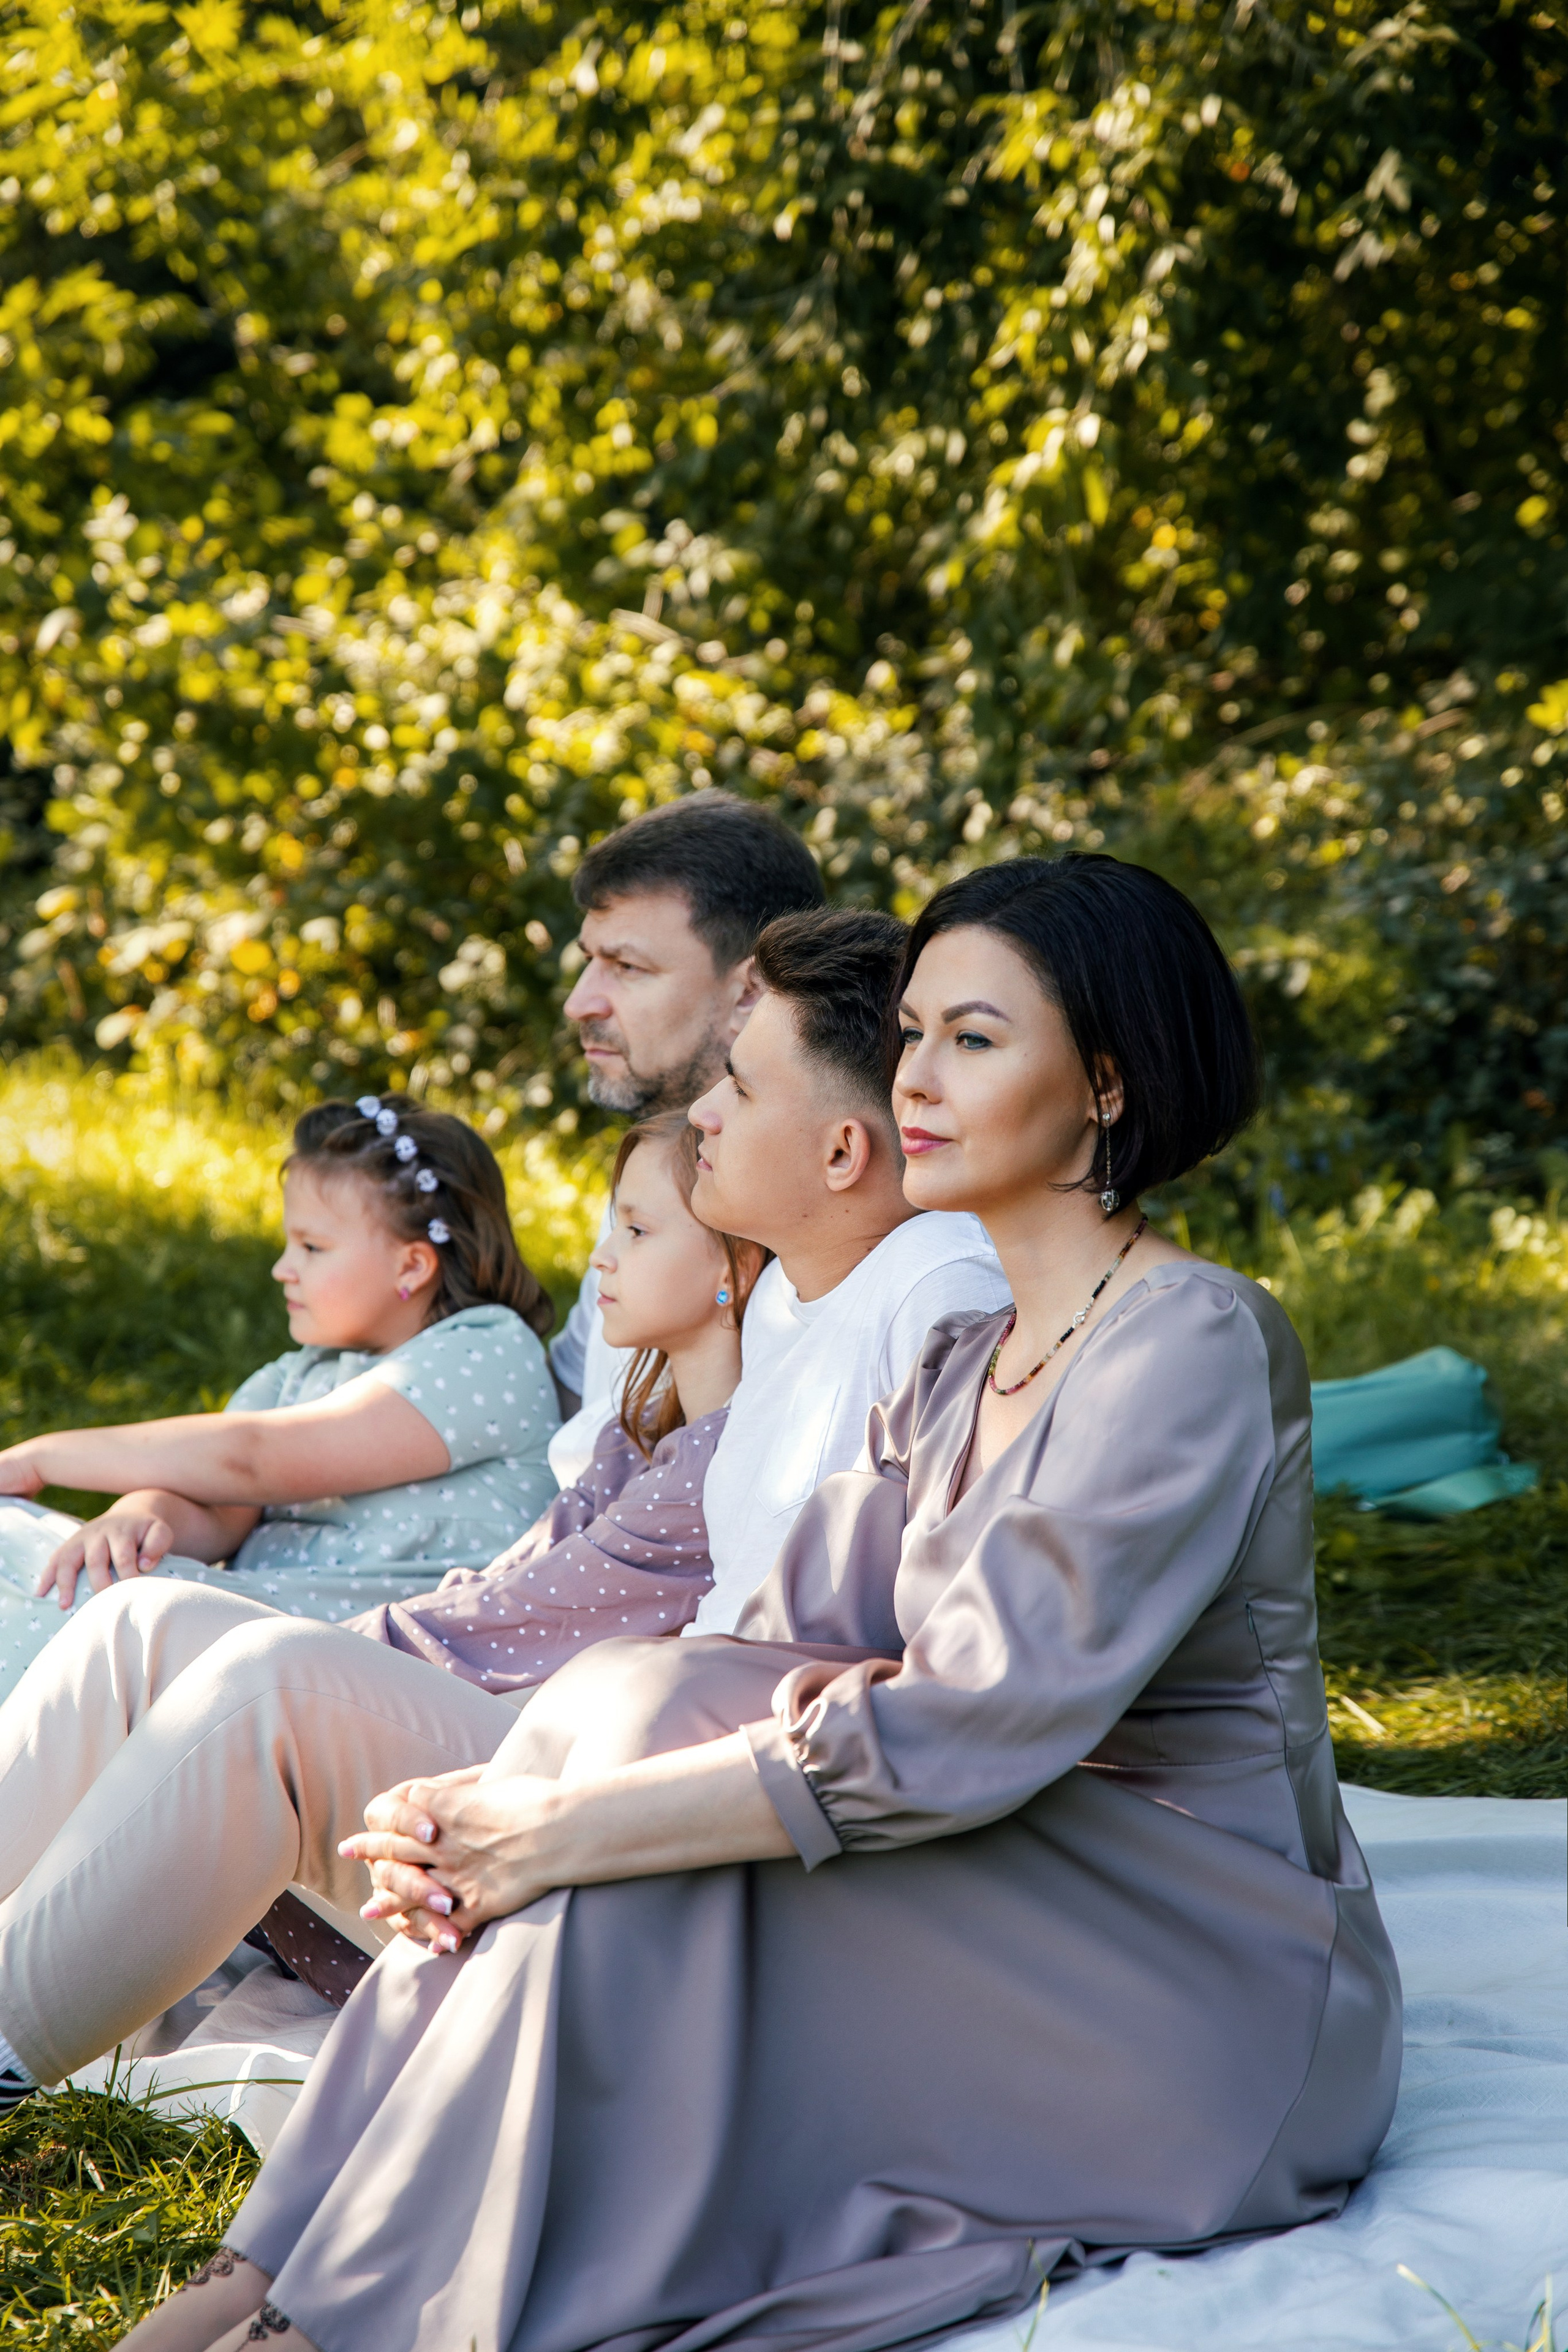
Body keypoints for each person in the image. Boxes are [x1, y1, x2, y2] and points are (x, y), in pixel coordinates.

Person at [128, 852, 1400, 2352]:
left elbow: (965, 1721)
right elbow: (758, 1645)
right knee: (629, 1703)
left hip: (1192, 1976)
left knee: (610, 1845)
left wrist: (551, 1832)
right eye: (913, 1031)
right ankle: (278, 2268)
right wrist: (494, 1798)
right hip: (1003, 1878)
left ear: (1107, 1085)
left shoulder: (1186, 1340)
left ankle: (334, 2308)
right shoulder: (960, 1361)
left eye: (972, 1039)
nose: (914, 1076)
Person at [0, 1112, 763, 2106]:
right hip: (453, 1717)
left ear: (734, 1272)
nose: (601, 1257)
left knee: (247, 1671)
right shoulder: (635, 1442)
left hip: (532, 1818)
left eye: (637, 1230)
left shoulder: (714, 1466)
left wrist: (308, 1645)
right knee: (135, 1623)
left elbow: (493, 1628)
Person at [0, 1098, 561, 1694]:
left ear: (412, 1265)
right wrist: (141, 1515)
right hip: (245, 1614)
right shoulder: (298, 1373)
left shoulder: (485, 1351)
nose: (282, 1269)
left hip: (344, 1654)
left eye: (312, 1248)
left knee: (65, 1613)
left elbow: (251, 1459)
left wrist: (43, 1458)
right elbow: (220, 1506)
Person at [685, 906, 1012, 1630]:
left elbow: (961, 1619)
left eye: (738, 1089)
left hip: (796, 1724)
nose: (701, 1113)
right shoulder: (781, 1289)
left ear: (842, 1154)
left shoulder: (942, 1289)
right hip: (692, 1690)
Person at [545, 788, 824, 1434]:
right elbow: (561, 1404)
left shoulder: (825, 1220)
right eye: (590, 960)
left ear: (749, 991)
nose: (581, 1002)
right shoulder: (657, 1169)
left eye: (627, 966)